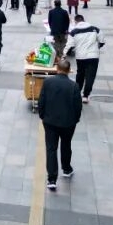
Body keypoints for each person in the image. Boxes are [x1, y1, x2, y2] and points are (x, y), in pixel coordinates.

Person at [39, 58, 82, 192]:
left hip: (50, 121)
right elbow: (78, 106)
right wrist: (75, 119)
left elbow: (42, 100)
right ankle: (66, 169)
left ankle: (52, 179)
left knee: (51, 148)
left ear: (57, 69)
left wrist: (42, 115)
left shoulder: (48, 82)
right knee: (66, 144)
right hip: (68, 122)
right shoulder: (74, 86)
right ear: (69, 71)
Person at [63, 14, 106, 103]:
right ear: (84, 20)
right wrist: (97, 46)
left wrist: (64, 54)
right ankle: (86, 95)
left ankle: (77, 92)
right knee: (90, 76)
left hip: (81, 57)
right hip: (93, 57)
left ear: (75, 22)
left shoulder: (74, 32)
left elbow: (69, 45)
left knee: (80, 74)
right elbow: (102, 40)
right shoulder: (95, 29)